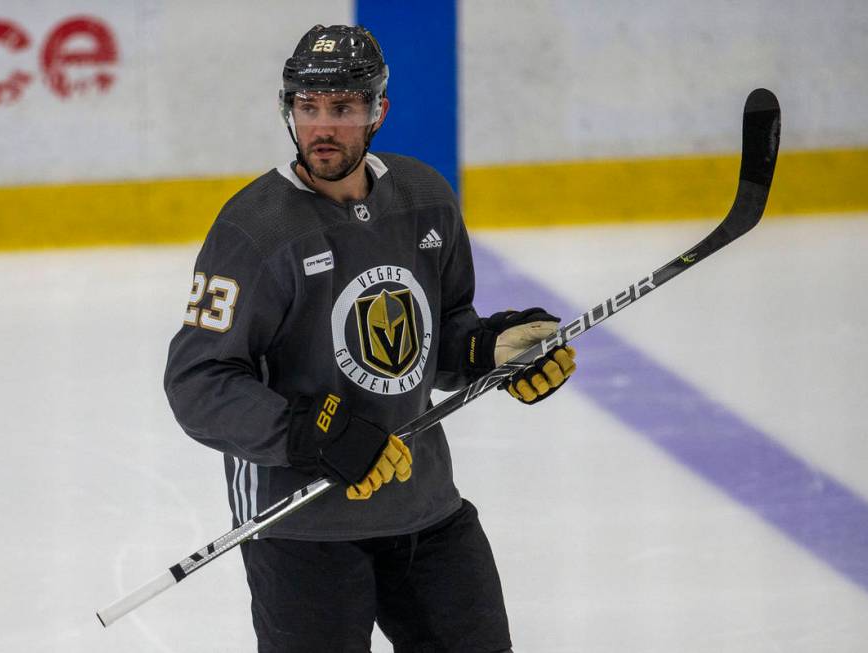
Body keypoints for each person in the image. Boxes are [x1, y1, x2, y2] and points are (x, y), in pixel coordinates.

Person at [164, 24, 577, 652]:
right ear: (288, 110)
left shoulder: (423, 198)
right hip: (302, 521)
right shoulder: (254, 230)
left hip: (423, 505)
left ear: (378, 110)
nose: (322, 127)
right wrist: (311, 433)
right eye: (307, 106)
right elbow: (200, 382)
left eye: (343, 108)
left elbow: (439, 336)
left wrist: (487, 352)